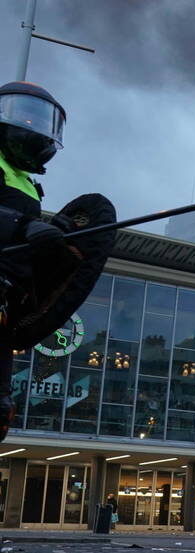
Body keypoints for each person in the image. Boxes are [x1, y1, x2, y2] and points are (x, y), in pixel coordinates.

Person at [0, 81, 70, 441]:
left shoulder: (28, 182)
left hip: (9, 300)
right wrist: (23, 225)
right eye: (24, 115)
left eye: (39, 118)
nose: (33, 125)